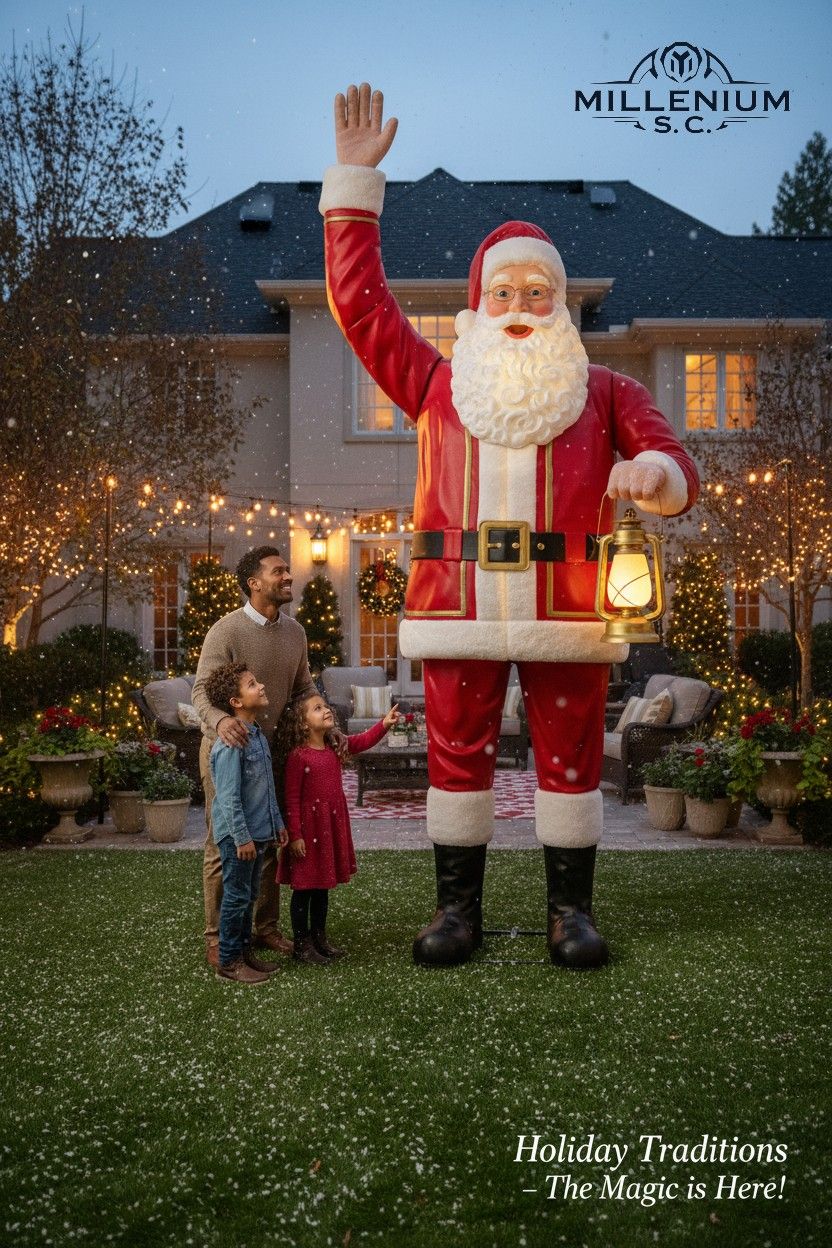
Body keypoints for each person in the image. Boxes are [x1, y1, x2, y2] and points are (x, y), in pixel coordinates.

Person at [320, 83, 700, 970]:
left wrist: (656, 476)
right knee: (455, 762)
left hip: (567, 611)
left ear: (563, 303)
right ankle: (459, 915)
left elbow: (676, 460)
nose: (523, 304)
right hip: (456, 608)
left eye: (541, 290)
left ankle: (571, 913)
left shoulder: (605, 392)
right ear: (478, 303)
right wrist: (352, 184)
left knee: (569, 760)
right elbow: (360, 304)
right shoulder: (435, 385)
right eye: (506, 291)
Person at [192, 546, 317, 968]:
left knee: (266, 842)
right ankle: (218, 937)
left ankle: (264, 928)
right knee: (223, 842)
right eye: (278, 571)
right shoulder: (225, 632)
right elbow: (200, 692)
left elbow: (303, 688)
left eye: (287, 569)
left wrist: (327, 726)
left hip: (270, 755)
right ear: (254, 582)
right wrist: (220, 721)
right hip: (227, 752)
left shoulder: (295, 634)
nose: (288, 576)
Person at [274, 690, 401, 963]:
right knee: (305, 889)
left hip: (328, 828)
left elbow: (362, 741)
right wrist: (295, 835)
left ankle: (320, 938)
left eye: (325, 705)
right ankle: (301, 945)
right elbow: (292, 799)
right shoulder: (299, 757)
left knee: (322, 886)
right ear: (303, 723)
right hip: (309, 831)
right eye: (317, 708)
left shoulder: (334, 746)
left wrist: (384, 725)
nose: (326, 710)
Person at [204, 662, 289, 984]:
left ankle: (244, 952)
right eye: (252, 684)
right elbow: (227, 798)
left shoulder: (257, 737)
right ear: (235, 702)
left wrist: (277, 823)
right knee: (237, 897)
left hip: (258, 833)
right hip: (239, 838)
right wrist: (241, 838)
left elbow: (264, 790)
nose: (261, 687)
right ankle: (228, 961)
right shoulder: (230, 743)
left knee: (249, 896)